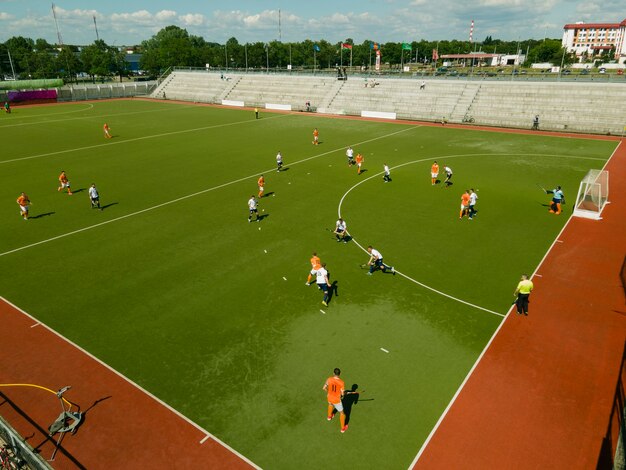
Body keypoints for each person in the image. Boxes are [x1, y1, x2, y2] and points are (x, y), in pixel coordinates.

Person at [323, 368, 348, 433]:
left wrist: (329, 392)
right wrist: (344, 393)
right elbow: (342, 394)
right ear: (340, 374)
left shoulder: (329, 379)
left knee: (330, 404)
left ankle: (329, 417)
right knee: (342, 413)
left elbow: (324, 388)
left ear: (333, 373)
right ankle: (343, 429)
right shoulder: (341, 382)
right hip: (336, 400)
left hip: (329, 397)